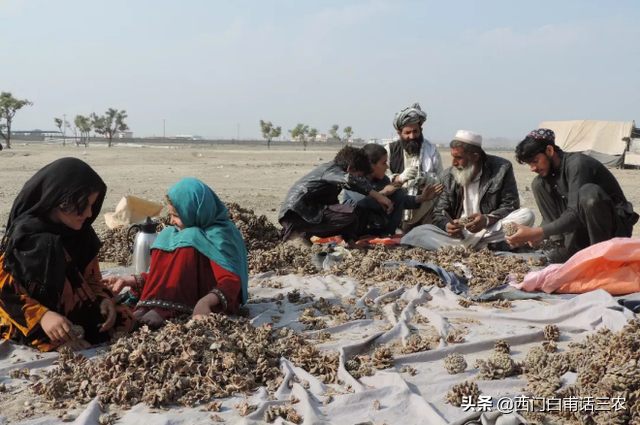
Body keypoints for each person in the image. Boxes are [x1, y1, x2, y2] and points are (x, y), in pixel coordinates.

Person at [0, 158, 134, 352]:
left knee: (124, 318)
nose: (89, 213)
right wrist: (43, 316)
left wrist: (104, 300)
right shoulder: (25, 237)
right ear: (60, 202)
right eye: (83, 205)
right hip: (29, 315)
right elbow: (6, 292)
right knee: (39, 332)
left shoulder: (82, 232)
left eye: (92, 205)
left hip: (75, 310)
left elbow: (92, 278)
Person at [104, 178, 248, 329]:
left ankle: (165, 309)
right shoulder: (177, 233)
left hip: (216, 299)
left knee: (190, 236)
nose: (172, 220)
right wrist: (129, 280)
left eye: (177, 216)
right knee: (167, 234)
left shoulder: (221, 234)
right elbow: (167, 276)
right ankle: (152, 305)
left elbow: (231, 282)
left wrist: (205, 302)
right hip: (182, 293)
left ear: (195, 210)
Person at [507, 128, 638, 263]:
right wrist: (535, 234)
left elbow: (574, 212)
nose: (532, 168)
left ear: (550, 151)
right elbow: (553, 219)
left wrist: (538, 232)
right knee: (538, 184)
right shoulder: (546, 179)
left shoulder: (577, 164)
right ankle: (565, 247)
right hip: (582, 232)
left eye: (535, 161)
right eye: (529, 164)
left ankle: (601, 255)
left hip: (613, 231)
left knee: (589, 193)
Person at [401, 130, 535, 250]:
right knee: (416, 233)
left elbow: (510, 205)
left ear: (475, 157)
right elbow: (438, 213)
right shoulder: (448, 176)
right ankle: (484, 246)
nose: (453, 163)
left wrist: (486, 220)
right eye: (453, 157)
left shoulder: (501, 168)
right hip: (460, 233)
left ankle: (465, 247)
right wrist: (448, 226)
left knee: (526, 215)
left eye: (458, 158)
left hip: (489, 228)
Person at [279, 146, 393, 244]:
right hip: (295, 214)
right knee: (348, 213)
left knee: (350, 216)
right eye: (358, 176)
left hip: (309, 213)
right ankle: (296, 234)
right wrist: (379, 196)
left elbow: (334, 205)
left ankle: (303, 235)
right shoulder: (331, 171)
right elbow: (350, 181)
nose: (359, 179)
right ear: (350, 169)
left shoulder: (333, 178)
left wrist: (352, 243)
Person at [343, 143, 442, 236]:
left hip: (373, 225)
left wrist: (423, 197)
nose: (387, 167)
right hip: (354, 227)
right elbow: (363, 202)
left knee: (397, 193)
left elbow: (400, 199)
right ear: (370, 165)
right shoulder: (354, 178)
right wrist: (384, 193)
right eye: (383, 163)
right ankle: (353, 237)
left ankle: (387, 233)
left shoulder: (382, 180)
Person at [384, 102, 444, 231]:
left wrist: (425, 178)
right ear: (399, 133)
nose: (412, 136)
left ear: (421, 130)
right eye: (407, 132)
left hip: (425, 211)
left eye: (415, 131)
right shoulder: (389, 150)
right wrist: (399, 178)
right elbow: (381, 181)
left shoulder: (431, 150)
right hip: (396, 210)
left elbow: (441, 181)